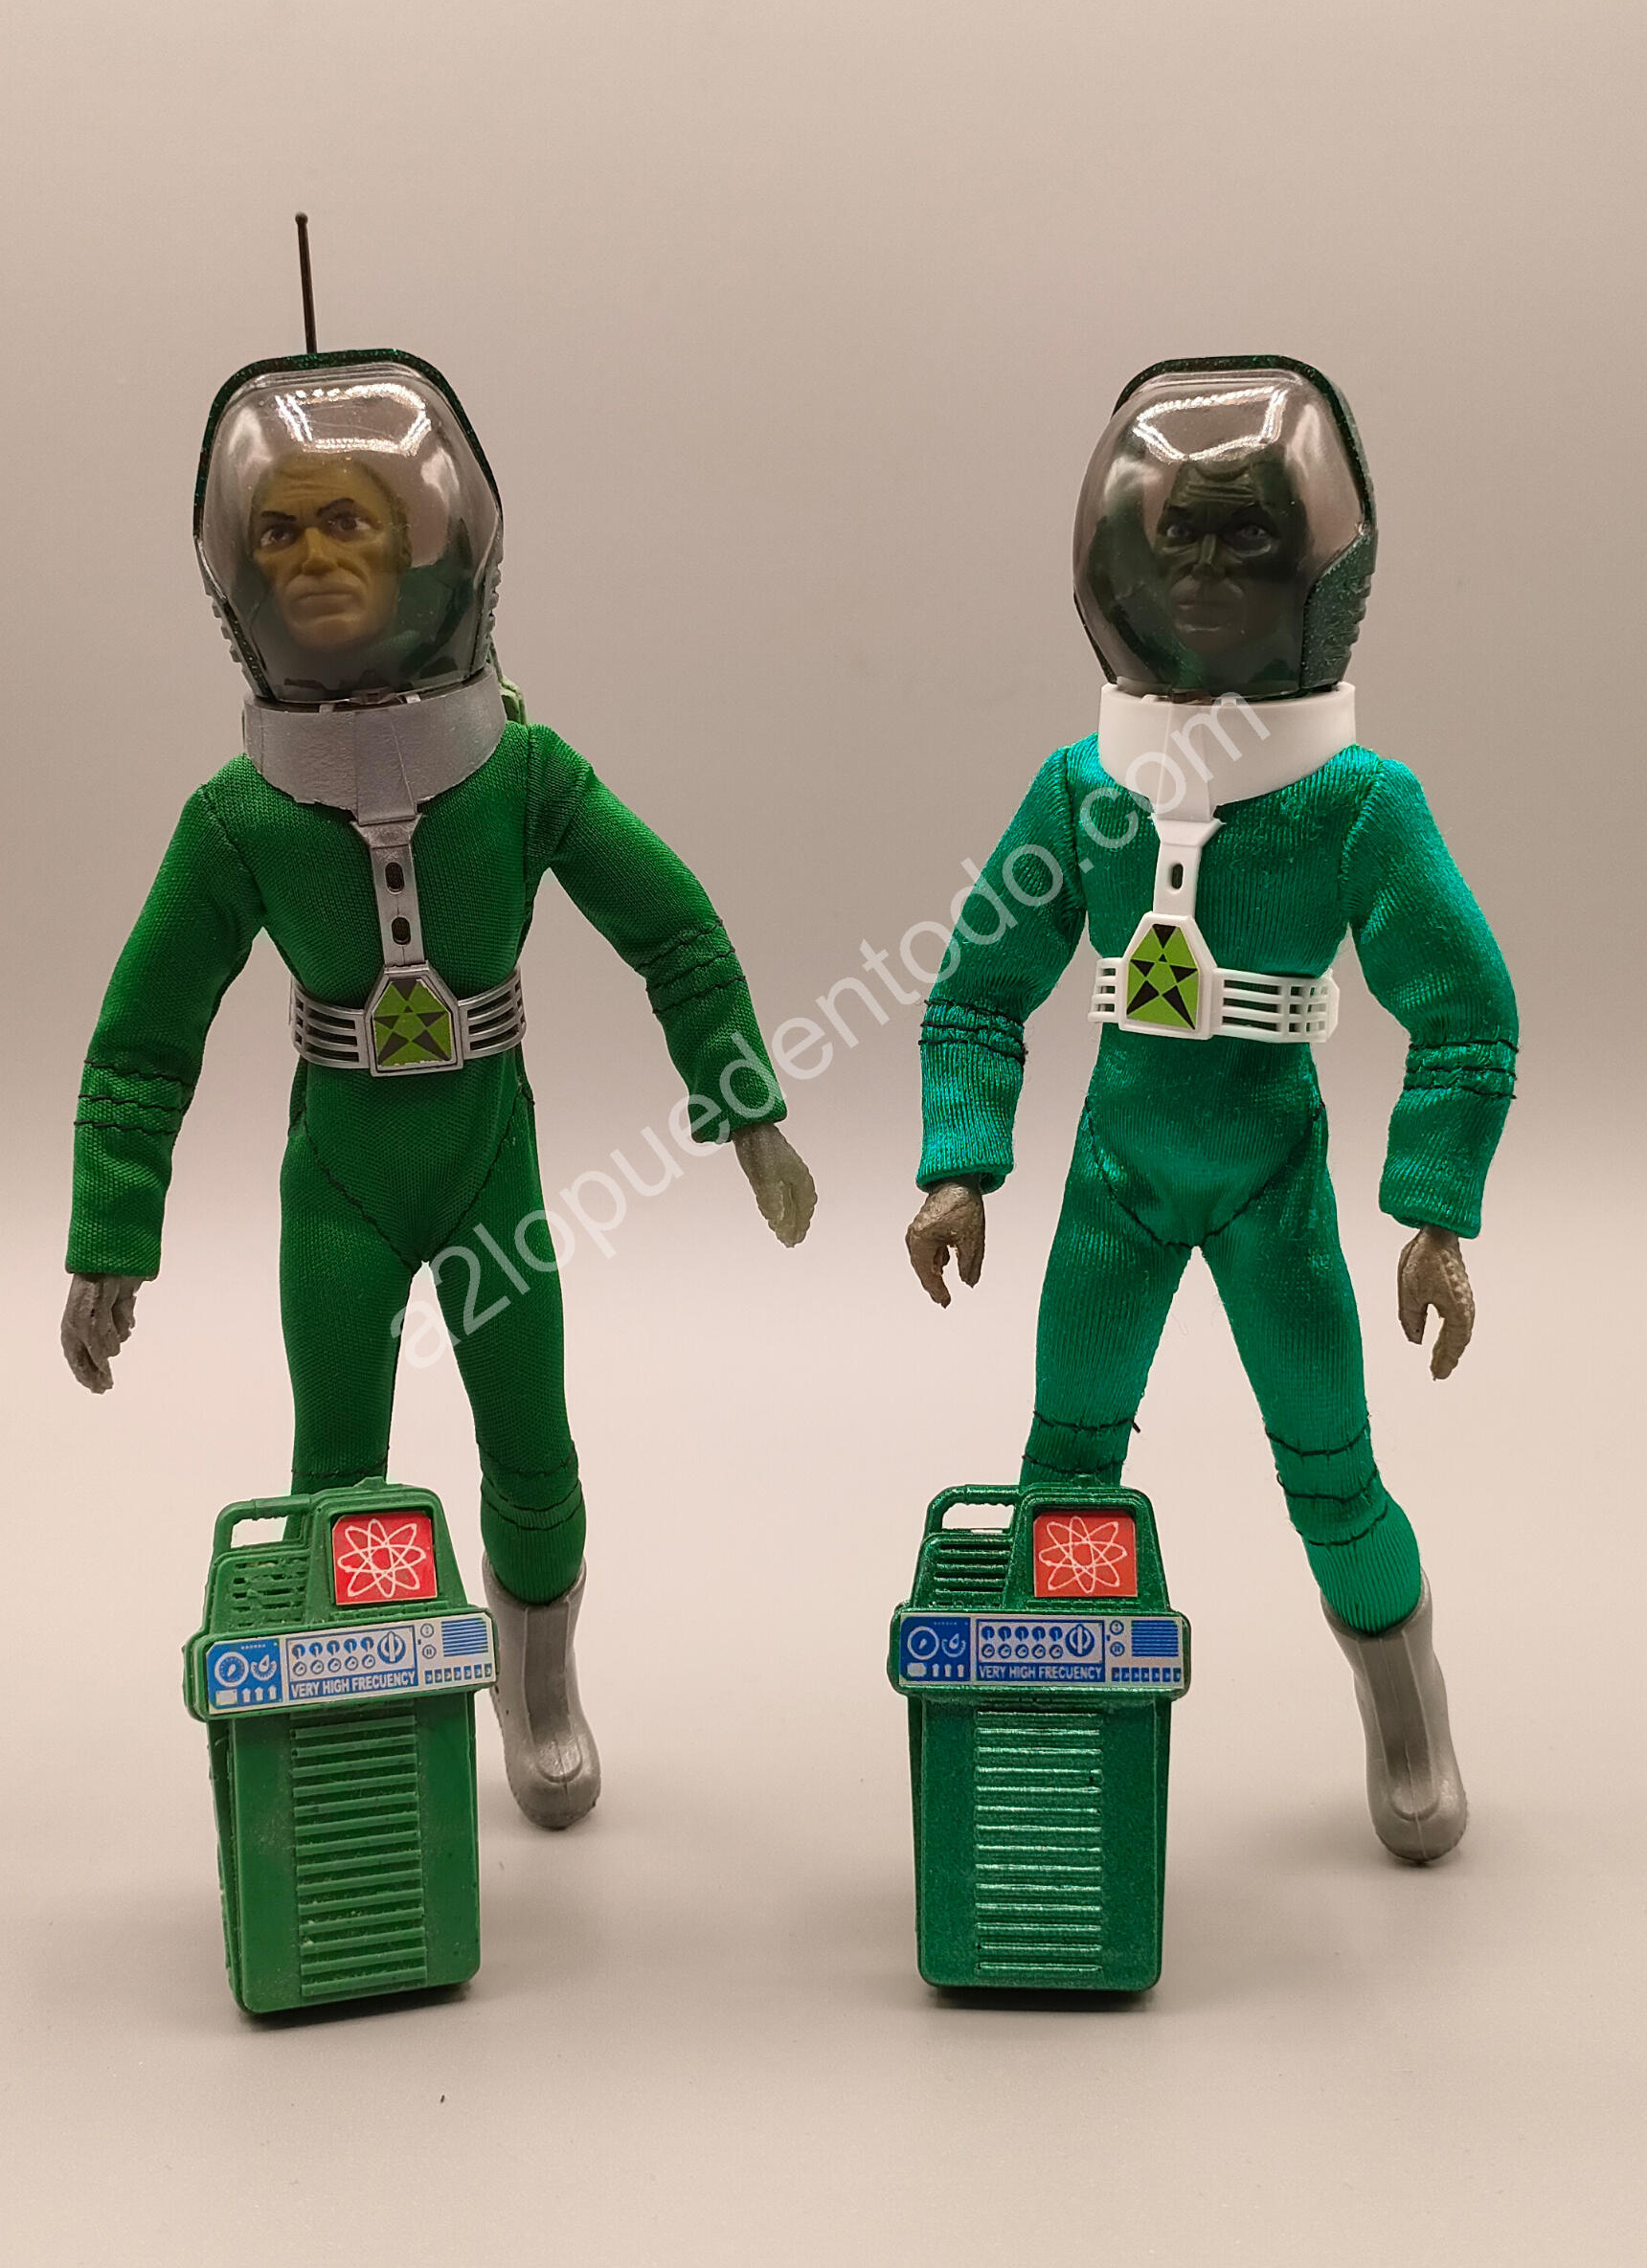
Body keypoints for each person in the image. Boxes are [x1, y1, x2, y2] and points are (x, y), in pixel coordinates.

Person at [62, 348, 815, 1829]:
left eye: (347, 520)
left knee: (531, 1446)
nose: (312, 556)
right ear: (237, 576)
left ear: (427, 552)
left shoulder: (522, 777)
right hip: (338, 1185)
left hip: (489, 1172)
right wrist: (110, 1233)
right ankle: (361, 1713)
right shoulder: (240, 820)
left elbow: (674, 930)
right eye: (279, 530)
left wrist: (747, 1108)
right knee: (336, 1471)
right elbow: (143, 1040)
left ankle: (539, 1684)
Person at [906, 356, 1515, 1863]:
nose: (1205, 572)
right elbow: (979, 986)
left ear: (1316, 575)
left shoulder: (1354, 804)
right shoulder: (1082, 792)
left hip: (1270, 1187)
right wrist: (961, 1162)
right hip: (1115, 1183)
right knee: (1065, 1466)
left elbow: (1463, 1010)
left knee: (1332, 1468)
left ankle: (1404, 1694)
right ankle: (1055, 1725)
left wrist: (1433, 1208)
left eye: (1247, 541)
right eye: (1177, 537)